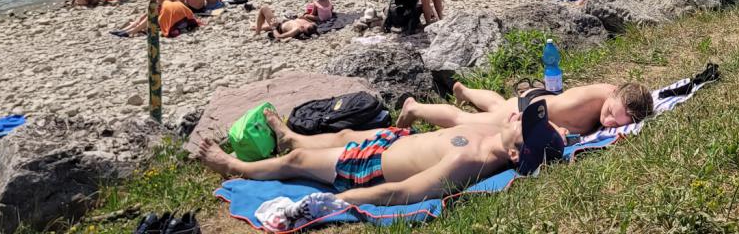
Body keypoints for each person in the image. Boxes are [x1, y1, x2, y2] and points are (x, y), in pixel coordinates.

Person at [196, 99, 566, 211]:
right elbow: (456, 117)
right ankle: (291, 135)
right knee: (343, 133)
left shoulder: (470, 161)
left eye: (526, 126)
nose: (521, 116)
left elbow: (404, 192)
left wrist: (336, 200)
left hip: (369, 166)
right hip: (397, 140)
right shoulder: (496, 133)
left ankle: (234, 165)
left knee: (296, 165)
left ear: (517, 154)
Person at [398, 80, 654, 136]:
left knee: (498, 103)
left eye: (617, 123)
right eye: (609, 113)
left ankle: (464, 91)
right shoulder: (583, 103)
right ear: (613, 95)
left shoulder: (618, 95)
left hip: (537, 98)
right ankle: (414, 107)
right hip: (530, 108)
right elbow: (545, 110)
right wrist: (553, 128)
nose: (608, 122)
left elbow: (635, 96)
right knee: (462, 121)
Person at [111, 0, 200, 38]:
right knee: (148, 15)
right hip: (185, 21)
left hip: (178, 24)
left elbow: (161, 21)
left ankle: (129, 32)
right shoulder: (168, 0)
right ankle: (125, 30)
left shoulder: (163, 5)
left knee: (150, 16)